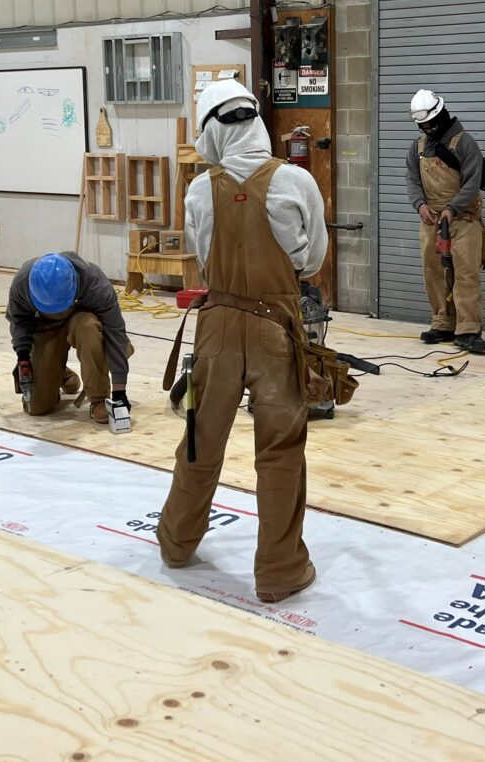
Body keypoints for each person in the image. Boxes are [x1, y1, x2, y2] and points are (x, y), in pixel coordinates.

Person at [157, 78, 328, 603]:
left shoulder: (197, 190)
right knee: (279, 451)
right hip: (277, 330)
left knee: (200, 440)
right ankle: (279, 571)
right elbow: (313, 261)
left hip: (217, 332)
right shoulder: (297, 182)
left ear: (211, 130)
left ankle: (177, 543)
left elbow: (204, 257)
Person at [406, 88, 485, 355]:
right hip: (431, 220)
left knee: (465, 272)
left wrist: (452, 209)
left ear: (440, 114)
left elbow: (473, 182)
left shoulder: (465, 143)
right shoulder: (418, 148)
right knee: (434, 271)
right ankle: (443, 322)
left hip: (463, 218)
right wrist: (420, 205)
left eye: (430, 124)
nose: (427, 130)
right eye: (422, 126)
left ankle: (468, 329)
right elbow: (412, 180)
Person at [6, 252, 132, 423]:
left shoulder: (94, 283)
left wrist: (119, 392)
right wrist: (23, 356)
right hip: (45, 325)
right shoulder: (22, 283)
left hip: (81, 319)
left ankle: (99, 399)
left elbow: (115, 332)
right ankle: (60, 373)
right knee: (37, 407)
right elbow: (19, 321)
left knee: (90, 329)